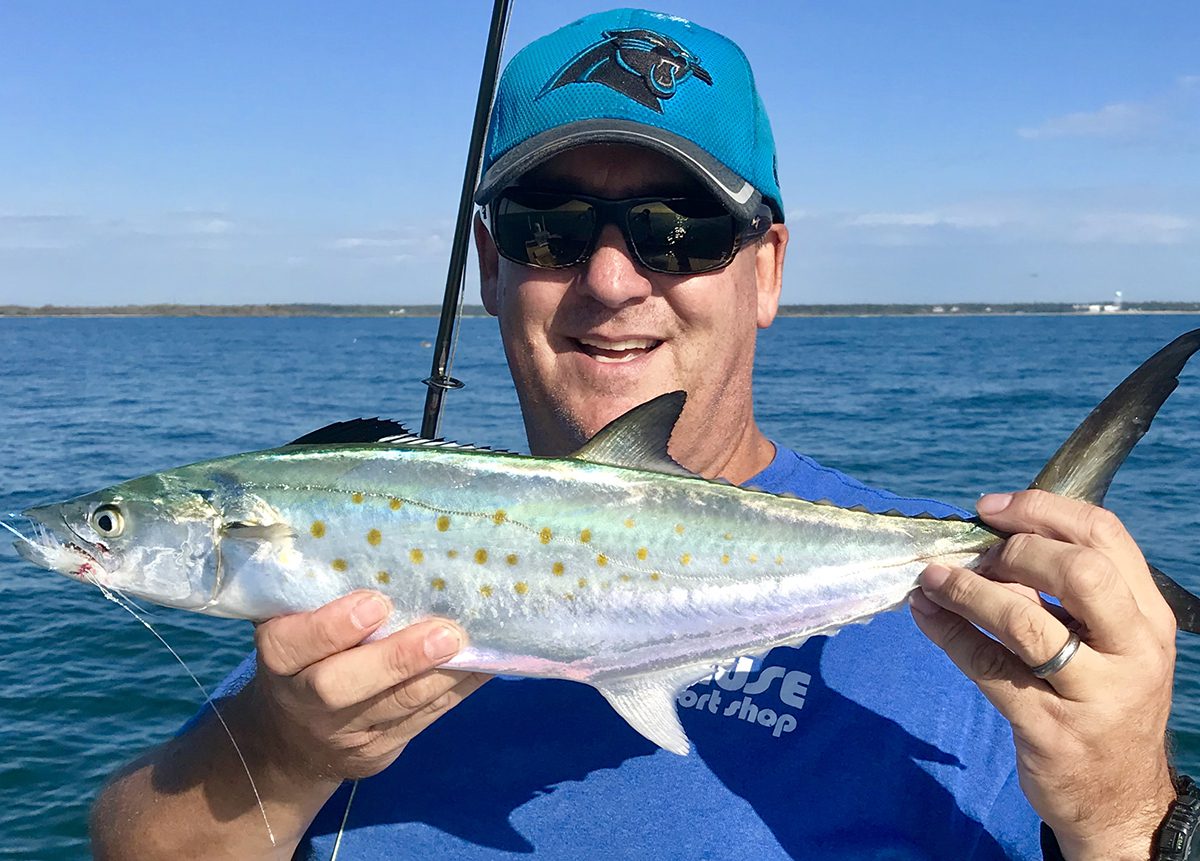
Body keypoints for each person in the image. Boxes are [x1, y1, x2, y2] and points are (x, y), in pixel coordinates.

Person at [91, 9, 1182, 860]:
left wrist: (1124, 817)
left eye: (679, 231)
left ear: (769, 271)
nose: (611, 281)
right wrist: (279, 758)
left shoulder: (983, 640)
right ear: (491, 267)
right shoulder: (353, 602)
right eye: (550, 228)